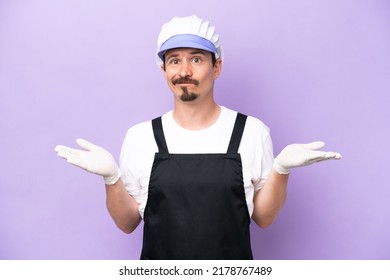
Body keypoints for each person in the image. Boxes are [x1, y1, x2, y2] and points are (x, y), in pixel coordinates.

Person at [55, 15, 341, 260]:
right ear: (164, 70)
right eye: (174, 60)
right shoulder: (141, 137)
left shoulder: (251, 132)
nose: (184, 71)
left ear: (216, 67)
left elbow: (264, 218)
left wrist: (281, 170)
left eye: (196, 58)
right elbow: (127, 222)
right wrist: (111, 179)